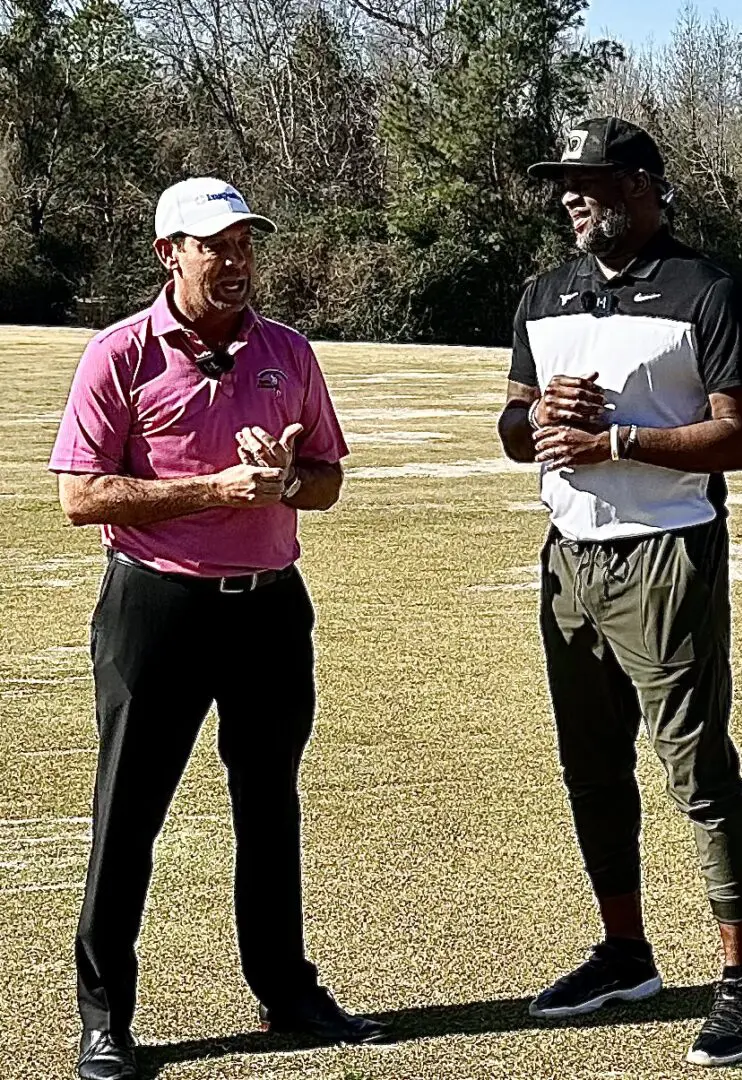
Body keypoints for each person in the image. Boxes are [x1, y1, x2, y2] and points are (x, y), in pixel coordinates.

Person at [49, 177, 387, 1080]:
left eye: (245, 246)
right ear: (171, 254)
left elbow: (326, 477)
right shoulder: (118, 355)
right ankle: (105, 1019)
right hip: (155, 609)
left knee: (269, 805)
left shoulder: (286, 352)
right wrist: (211, 490)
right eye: (215, 247)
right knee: (129, 812)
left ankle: (286, 991)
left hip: (270, 606)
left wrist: (285, 482)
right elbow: (82, 496)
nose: (235, 263)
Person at [498, 117, 742, 1068]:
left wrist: (616, 442)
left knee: (695, 772)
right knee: (591, 767)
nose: (573, 196)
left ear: (645, 185)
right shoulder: (543, 293)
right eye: (564, 183)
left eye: (593, 180)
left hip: (668, 552)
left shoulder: (706, 290)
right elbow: (510, 424)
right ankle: (625, 954)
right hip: (568, 556)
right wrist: (536, 414)